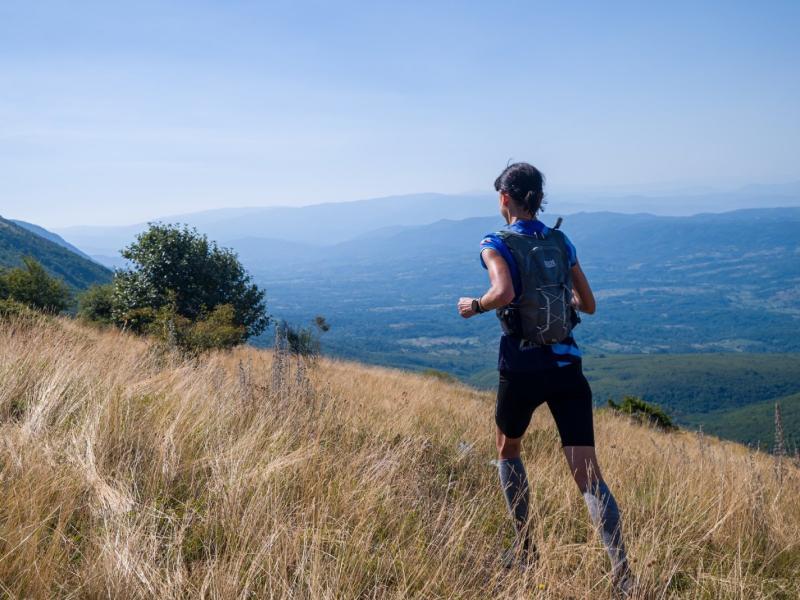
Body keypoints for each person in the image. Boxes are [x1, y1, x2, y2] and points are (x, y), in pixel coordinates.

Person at [457, 162, 634, 596]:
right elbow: (588, 304)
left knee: (507, 449)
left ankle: (527, 548)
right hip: (567, 368)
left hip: (521, 368)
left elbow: (504, 294)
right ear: (539, 197)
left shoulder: (494, 242)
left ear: (504, 198)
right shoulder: (561, 240)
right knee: (588, 475)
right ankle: (624, 574)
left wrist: (475, 306)